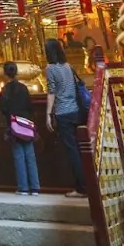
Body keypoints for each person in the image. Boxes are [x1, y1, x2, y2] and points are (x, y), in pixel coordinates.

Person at [44, 37, 87, 199]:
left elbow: (51, 92)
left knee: (72, 151)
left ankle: (81, 188)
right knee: (79, 150)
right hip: (76, 111)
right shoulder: (68, 66)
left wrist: (48, 114)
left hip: (63, 112)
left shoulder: (50, 69)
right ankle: (86, 183)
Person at [0, 62, 40, 195]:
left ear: (5, 74)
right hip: (26, 123)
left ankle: (23, 187)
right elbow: (30, 105)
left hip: (14, 124)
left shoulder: (5, 90)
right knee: (30, 155)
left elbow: (3, 108)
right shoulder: (23, 88)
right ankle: (35, 187)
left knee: (18, 155)